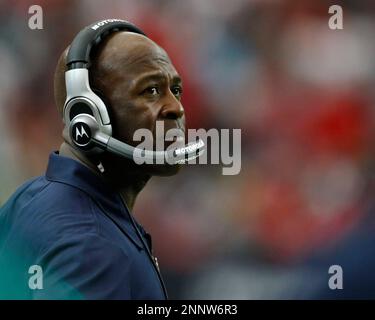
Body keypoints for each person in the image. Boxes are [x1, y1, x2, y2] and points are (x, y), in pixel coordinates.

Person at [0, 19, 198, 299]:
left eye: (175, 90)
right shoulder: (93, 247)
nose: (176, 108)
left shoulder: (30, 198)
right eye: (150, 90)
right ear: (88, 116)